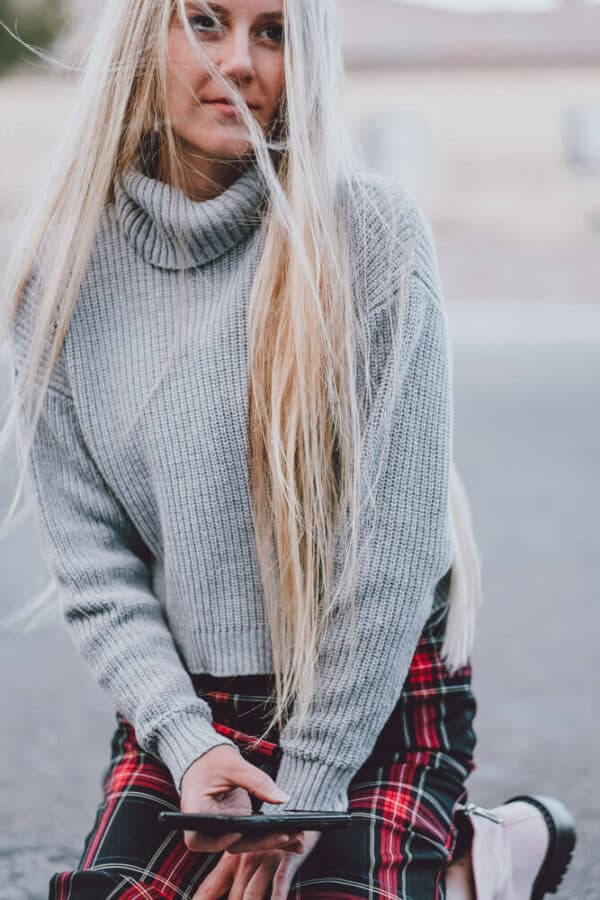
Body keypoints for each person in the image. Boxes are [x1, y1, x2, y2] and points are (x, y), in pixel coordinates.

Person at [0, 0, 576, 897]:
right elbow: (95, 571)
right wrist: (191, 747)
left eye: (274, 32)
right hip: (195, 715)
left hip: (375, 693)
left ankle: (459, 862)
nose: (242, 61)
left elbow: (396, 553)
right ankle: (459, 862)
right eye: (204, 20)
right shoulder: (58, 276)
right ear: (139, 37)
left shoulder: (371, 236)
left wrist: (303, 799)